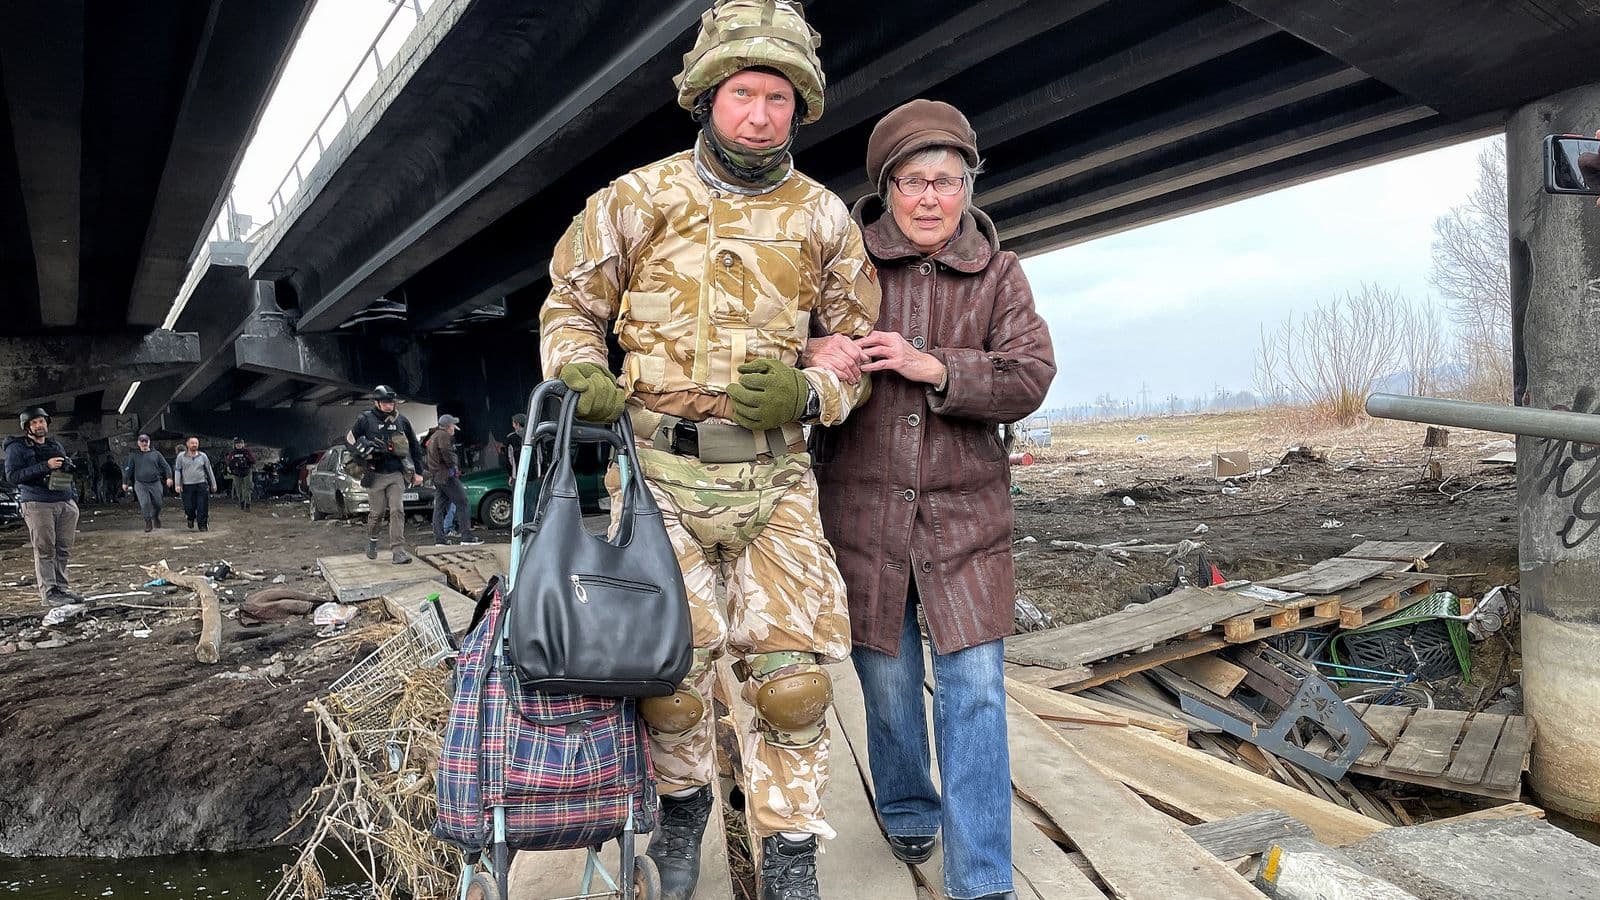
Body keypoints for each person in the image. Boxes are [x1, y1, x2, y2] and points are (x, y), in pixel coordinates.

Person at [539, 4, 880, 897]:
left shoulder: (824, 220)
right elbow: (570, 308)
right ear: (707, 99)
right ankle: (684, 814)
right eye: (742, 94)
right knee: (670, 677)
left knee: (792, 683)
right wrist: (582, 372)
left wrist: (812, 392)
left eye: (777, 97)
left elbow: (859, 349)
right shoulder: (634, 200)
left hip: (775, 477)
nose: (759, 114)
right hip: (657, 476)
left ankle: (792, 851)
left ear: (799, 107)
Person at [805, 100, 1055, 900]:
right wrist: (811, 346)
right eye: (911, 180)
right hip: (861, 517)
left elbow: (1029, 377)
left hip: (966, 522)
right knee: (884, 680)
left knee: (975, 690)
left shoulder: (1000, 273)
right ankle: (910, 802)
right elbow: (779, 340)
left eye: (946, 180)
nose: (928, 198)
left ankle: (982, 878)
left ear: (967, 187)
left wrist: (937, 367)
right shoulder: (844, 265)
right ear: (885, 188)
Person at [4, 408, 83, 606]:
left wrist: (67, 466)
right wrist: (45, 466)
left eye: (42, 421)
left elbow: (65, 471)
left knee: (63, 548)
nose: (39, 426)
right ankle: (50, 592)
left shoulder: (54, 444)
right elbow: (13, 477)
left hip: (64, 500)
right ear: (27, 427)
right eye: (34, 423)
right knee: (45, 549)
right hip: (38, 503)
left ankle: (62, 589)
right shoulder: (17, 448)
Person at [345, 384, 424, 564]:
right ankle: (372, 540)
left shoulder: (401, 421)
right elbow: (349, 438)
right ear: (377, 403)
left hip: (396, 473)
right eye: (386, 403)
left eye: (391, 402)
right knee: (377, 514)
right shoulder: (365, 419)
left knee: (397, 509)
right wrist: (361, 451)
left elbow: (414, 446)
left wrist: (419, 471)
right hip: (375, 474)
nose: (390, 406)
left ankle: (398, 551)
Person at [425, 414, 482, 547]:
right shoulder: (444, 436)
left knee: (438, 508)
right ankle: (466, 537)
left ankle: (439, 539)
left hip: (437, 477)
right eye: (453, 426)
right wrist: (453, 464)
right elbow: (445, 451)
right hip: (447, 476)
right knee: (463, 503)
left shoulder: (433, 436)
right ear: (449, 426)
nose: (454, 429)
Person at [122, 433, 174, 532]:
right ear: (138, 443)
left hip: (155, 482)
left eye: (146, 441)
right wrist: (125, 482)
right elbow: (128, 469)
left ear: (149, 442)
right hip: (140, 483)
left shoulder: (156, 454)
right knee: (145, 503)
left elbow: (166, 466)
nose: (144, 443)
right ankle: (148, 522)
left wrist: (169, 477)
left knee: (158, 503)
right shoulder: (134, 455)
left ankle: (155, 516)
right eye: (142, 441)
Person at [173, 437, 218, 531]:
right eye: (192, 443)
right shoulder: (181, 457)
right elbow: (178, 470)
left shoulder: (203, 456)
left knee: (202, 505)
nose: (194, 445)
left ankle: (203, 525)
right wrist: (177, 484)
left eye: (196, 443)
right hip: (187, 485)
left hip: (201, 484)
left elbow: (209, 470)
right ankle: (190, 518)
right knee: (189, 506)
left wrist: (213, 484)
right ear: (187, 444)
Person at [223, 437, 258, 511]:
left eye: (240, 443)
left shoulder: (246, 452)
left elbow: (253, 460)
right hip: (236, 473)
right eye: (237, 444)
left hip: (246, 472)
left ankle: (248, 504)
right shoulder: (232, 453)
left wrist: (248, 459)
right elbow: (228, 462)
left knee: (247, 489)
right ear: (234, 445)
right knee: (239, 489)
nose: (238, 445)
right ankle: (241, 502)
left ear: (243, 444)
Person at [504, 412, 527, 484]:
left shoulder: (511, 438)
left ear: (517, 424)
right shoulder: (535, 435)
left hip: (517, 475)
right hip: (534, 475)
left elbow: (509, 458)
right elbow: (541, 456)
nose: (513, 425)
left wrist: (510, 475)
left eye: (513, 423)